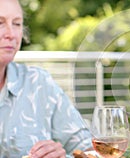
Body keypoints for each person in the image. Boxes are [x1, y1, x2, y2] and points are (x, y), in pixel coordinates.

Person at [0, 0, 92, 157]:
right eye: (0, 23)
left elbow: (88, 148)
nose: (11, 34)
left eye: (17, 24)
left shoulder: (38, 83)